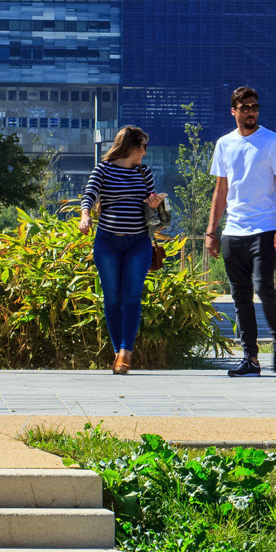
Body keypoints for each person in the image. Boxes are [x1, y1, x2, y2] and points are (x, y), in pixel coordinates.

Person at [205, 86, 276, 377]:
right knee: (240, 297)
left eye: (254, 107)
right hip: (233, 230)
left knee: (263, 286)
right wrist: (211, 231)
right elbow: (221, 190)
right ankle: (250, 358)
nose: (251, 112)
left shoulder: (272, 141)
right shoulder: (224, 144)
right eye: (245, 108)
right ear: (234, 111)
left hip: (265, 227)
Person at [80, 125, 164, 375]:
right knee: (112, 298)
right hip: (108, 243)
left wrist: (154, 204)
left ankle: (126, 352)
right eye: (143, 147)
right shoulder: (103, 170)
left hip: (139, 242)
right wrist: (85, 215)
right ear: (131, 146)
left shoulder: (144, 172)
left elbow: (151, 211)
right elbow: (89, 194)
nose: (145, 153)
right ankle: (119, 352)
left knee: (131, 297)